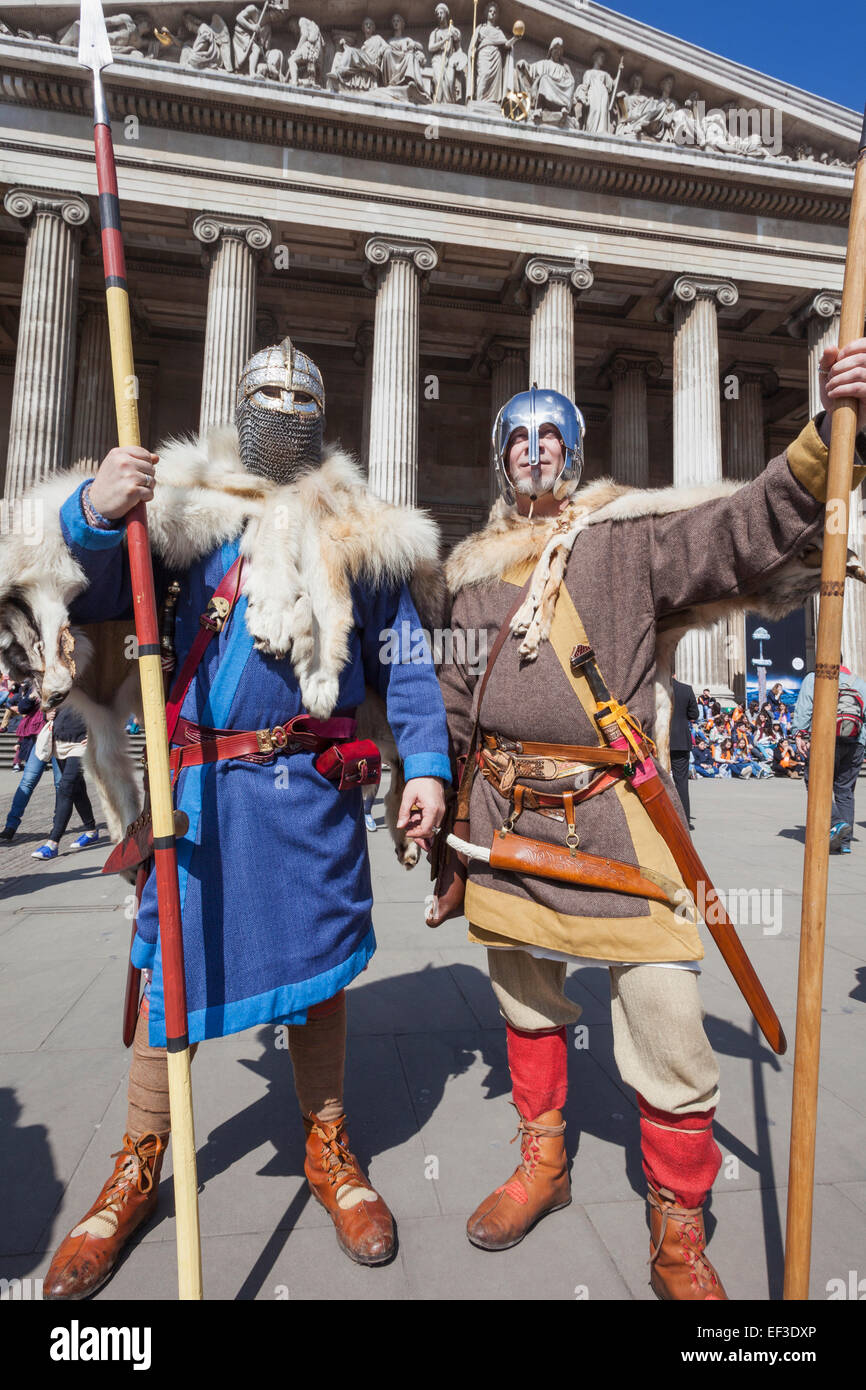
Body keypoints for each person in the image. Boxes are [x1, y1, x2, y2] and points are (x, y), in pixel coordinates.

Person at [434, 336, 866, 1300]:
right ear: (501, 461)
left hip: (615, 824)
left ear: (574, 453)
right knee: (524, 1002)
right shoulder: (469, 580)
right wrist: (442, 840)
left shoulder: (629, 544)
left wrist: (826, 435)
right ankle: (542, 1165)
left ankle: (679, 1233)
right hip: (506, 821)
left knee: (668, 1019)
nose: (536, 449)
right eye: (519, 438)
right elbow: (457, 708)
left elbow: (745, 530)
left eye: (553, 435)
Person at [40, 335, 450, 1299]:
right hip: (202, 794)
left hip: (310, 791)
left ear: (319, 419)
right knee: (165, 970)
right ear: (242, 411)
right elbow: (87, 588)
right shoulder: (185, 510)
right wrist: (98, 509)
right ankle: (139, 1162)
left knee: (318, 972)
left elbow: (405, 659)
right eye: (265, 403)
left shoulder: (361, 531)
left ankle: (329, 1145)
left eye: (297, 405)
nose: (281, 419)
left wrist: (424, 767)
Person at [792, 656, 866, 853]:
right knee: (845, 791)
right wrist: (862, 744)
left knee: (815, 783)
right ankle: (845, 842)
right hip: (855, 742)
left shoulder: (814, 678)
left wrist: (799, 734)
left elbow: (805, 709)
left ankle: (837, 822)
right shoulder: (859, 682)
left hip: (825, 740)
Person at [30, 702, 100, 860]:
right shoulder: (60, 681)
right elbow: (47, 704)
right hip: (59, 742)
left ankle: (52, 843)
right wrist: (45, 714)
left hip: (80, 744)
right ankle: (91, 831)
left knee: (66, 787)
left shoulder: (91, 679)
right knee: (77, 790)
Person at [0, 683, 63, 841]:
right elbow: (22, 709)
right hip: (39, 739)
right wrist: (32, 695)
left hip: (62, 738)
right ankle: (11, 826)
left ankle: (57, 826)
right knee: (27, 781)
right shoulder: (34, 685)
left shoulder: (65, 682)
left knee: (60, 784)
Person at [670, 675, 698, 820]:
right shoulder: (686, 689)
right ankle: (684, 818)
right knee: (681, 782)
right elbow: (694, 714)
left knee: (658, 780)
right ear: (674, 674)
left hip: (659, 740)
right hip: (680, 740)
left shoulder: (654, 689)